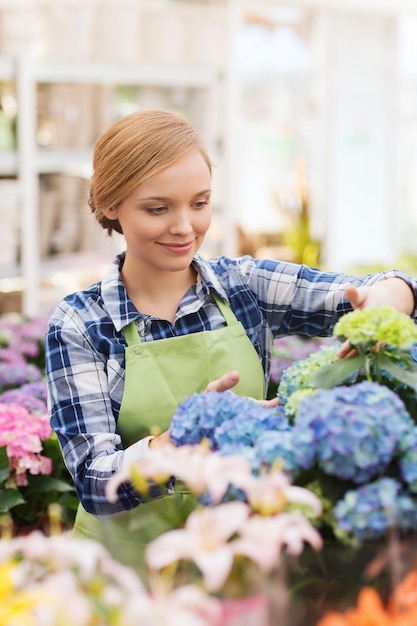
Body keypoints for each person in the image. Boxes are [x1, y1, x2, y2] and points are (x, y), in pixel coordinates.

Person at [45, 108, 417, 568]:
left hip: (238, 560)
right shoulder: (82, 323)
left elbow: (379, 287)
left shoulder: (246, 287)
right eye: (157, 208)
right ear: (109, 205)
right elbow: (94, 481)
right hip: (122, 572)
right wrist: (187, 437)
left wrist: (388, 298)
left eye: (199, 203)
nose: (185, 227)